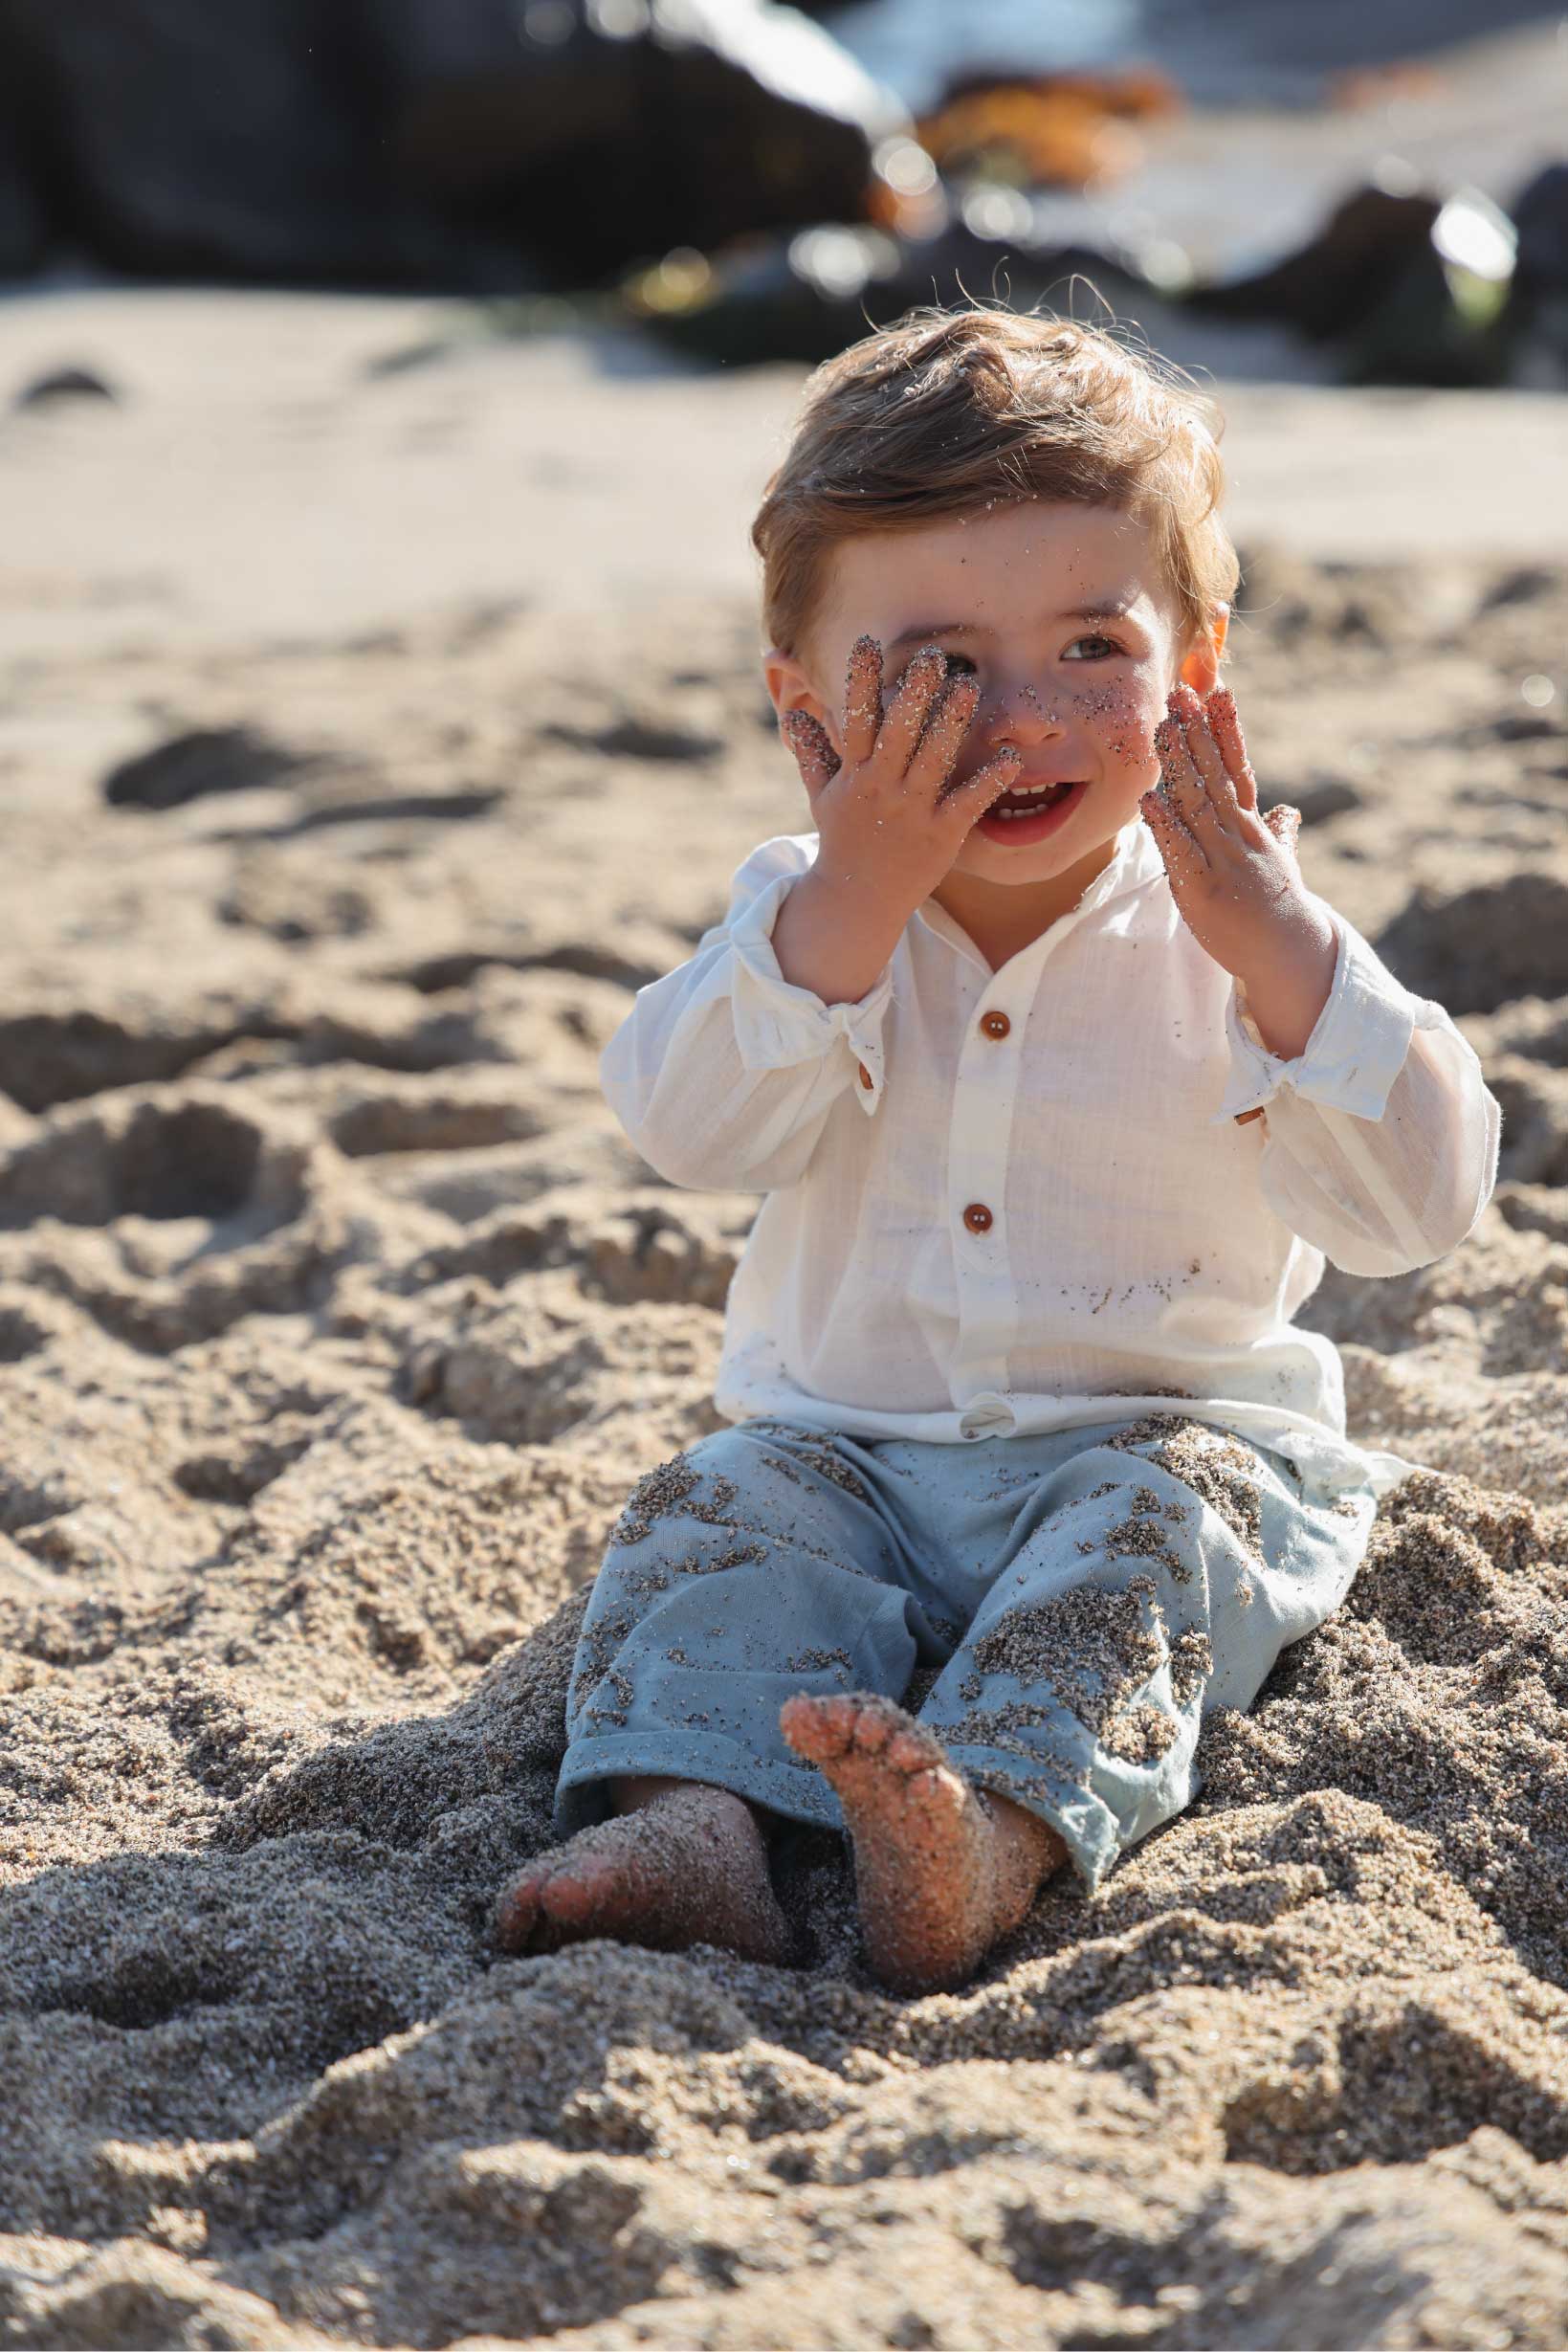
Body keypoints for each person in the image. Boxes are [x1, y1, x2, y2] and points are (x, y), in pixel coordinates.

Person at [495, 305, 1500, 1995]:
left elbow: (1420, 1205)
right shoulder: (804, 919)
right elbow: (681, 1122)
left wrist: (1280, 951)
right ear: (802, 702)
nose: (1021, 720)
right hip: (846, 1452)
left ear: (1195, 670)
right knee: (708, 1515)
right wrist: (852, 901)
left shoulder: (1243, 924)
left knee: (1159, 1549)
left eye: (1090, 651)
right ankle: (695, 1824)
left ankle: (988, 1832)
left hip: (1156, 1441)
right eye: (938, 668)